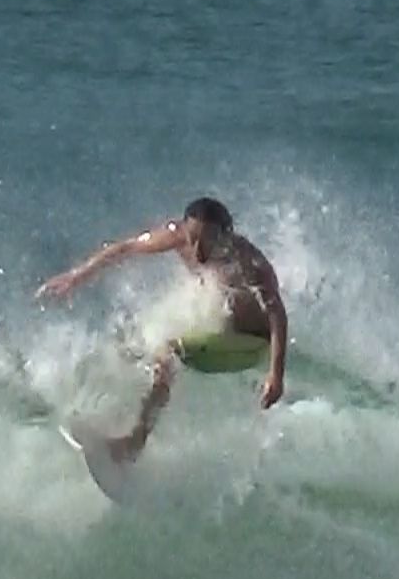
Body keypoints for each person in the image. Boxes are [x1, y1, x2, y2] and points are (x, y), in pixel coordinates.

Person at [36, 197, 288, 463]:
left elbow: (277, 315)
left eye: (208, 241)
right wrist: (77, 276)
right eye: (192, 239)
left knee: (168, 350)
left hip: (251, 341)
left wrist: (276, 375)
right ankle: (111, 415)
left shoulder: (247, 260)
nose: (198, 251)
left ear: (226, 236)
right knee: (134, 345)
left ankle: (135, 443)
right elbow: (126, 247)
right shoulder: (176, 236)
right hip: (222, 329)